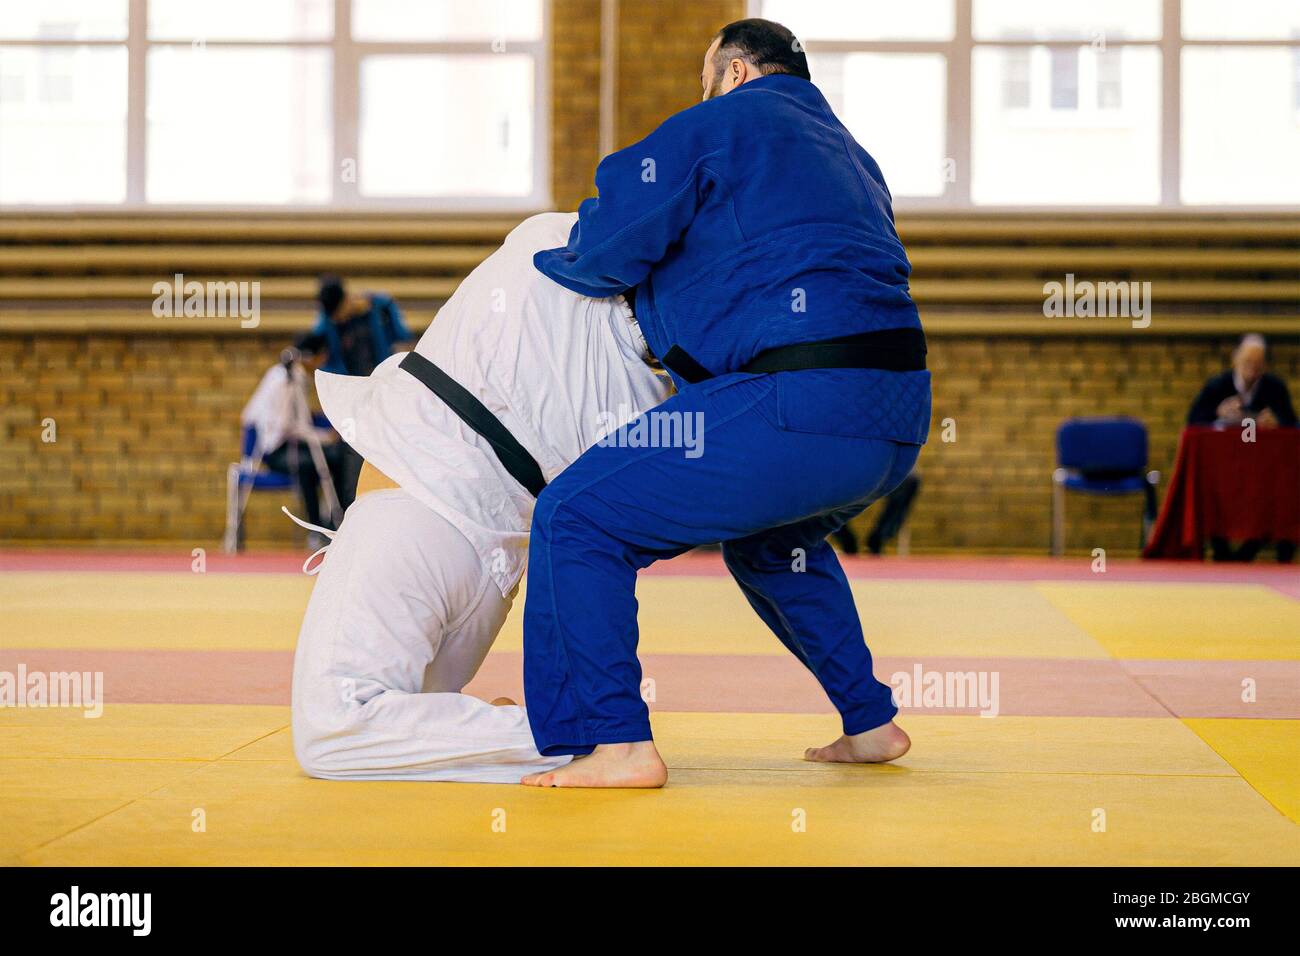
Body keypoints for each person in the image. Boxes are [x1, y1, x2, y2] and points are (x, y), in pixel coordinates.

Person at [518, 18, 931, 788]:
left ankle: (616, 744)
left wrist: (547, 253)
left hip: (800, 400)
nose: (702, 91)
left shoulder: (725, 121)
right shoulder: (851, 154)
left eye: (706, 76)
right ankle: (871, 722)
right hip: (897, 413)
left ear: (736, 73)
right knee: (773, 544)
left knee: (576, 516)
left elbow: (614, 238)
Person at [289, 213, 672, 783]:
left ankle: (578, 737)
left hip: (416, 507)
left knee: (333, 724)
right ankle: (568, 736)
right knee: (412, 709)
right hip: (496, 560)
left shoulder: (544, 241)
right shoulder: (655, 387)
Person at [1187, 333, 1297, 563]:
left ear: (1265, 366)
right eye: (1248, 363)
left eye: (1258, 365)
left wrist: (1276, 422)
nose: (1252, 369)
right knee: (1214, 490)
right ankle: (1221, 548)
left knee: (1279, 488)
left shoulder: (1274, 388)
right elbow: (1193, 422)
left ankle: (1253, 550)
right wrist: (1217, 413)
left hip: (1262, 471)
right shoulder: (1218, 386)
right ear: (1235, 360)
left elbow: (1292, 425)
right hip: (1223, 469)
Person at [239, 351, 352, 541]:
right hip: (276, 450)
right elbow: (289, 425)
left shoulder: (283, 375)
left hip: (291, 445)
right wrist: (324, 437)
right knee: (309, 466)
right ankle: (317, 527)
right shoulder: (287, 380)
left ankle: (331, 521)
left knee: (334, 459)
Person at [299, 276, 413, 377]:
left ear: (346, 300)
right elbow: (321, 356)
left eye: (339, 314)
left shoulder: (382, 306)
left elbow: (403, 338)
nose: (338, 320)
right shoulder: (326, 323)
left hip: (382, 377)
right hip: (350, 385)